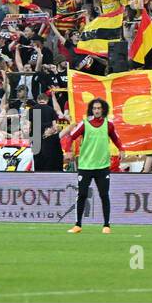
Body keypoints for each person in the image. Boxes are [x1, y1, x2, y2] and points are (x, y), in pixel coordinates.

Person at [63, 98, 124, 233]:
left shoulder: (109, 125)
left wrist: (121, 149)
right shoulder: (84, 124)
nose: (96, 110)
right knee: (82, 194)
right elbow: (70, 137)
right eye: (94, 108)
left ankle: (106, 225)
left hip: (102, 166)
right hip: (85, 166)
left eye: (99, 108)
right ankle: (78, 225)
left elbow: (116, 138)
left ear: (103, 110)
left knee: (104, 195)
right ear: (92, 110)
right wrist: (67, 151)